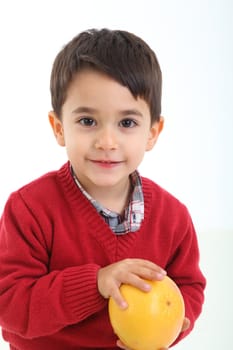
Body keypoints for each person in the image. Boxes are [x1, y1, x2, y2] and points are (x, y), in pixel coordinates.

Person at [0, 28, 206, 350]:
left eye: (127, 123)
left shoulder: (173, 217)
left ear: (152, 133)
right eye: (87, 121)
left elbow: (189, 286)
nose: (107, 142)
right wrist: (96, 283)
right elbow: (10, 306)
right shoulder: (29, 209)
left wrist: (171, 329)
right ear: (58, 128)